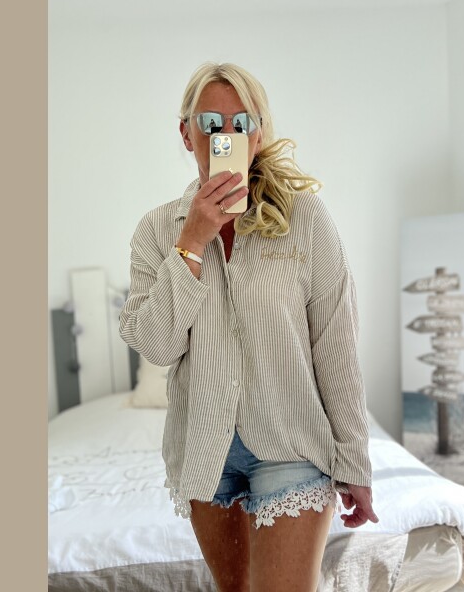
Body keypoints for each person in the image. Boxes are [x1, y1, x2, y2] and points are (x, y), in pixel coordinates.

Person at [119, 62, 378, 592]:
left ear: (258, 135)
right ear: (186, 133)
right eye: (210, 123)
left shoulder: (306, 220)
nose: (226, 135)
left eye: (241, 123)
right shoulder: (156, 231)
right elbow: (157, 345)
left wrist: (355, 462)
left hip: (291, 445)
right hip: (205, 453)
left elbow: (335, 347)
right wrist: (192, 241)